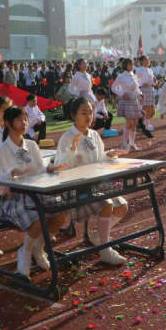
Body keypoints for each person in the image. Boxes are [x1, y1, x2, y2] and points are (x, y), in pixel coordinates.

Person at [0, 106, 69, 275]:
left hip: (34, 194)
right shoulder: (1, 152)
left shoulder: (32, 145)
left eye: (25, 119)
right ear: (8, 124)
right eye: (19, 119)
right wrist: (9, 174)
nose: (24, 123)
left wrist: (49, 169)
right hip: (12, 198)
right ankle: (24, 252)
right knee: (38, 217)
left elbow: (39, 170)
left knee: (59, 214)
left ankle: (38, 247)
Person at [53, 97, 130, 265]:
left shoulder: (94, 134)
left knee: (122, 206)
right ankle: (105, 250)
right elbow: (60, 166)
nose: (89, 117)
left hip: (95, 186)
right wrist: (72, 151)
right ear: (74, 115)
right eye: (83, 113)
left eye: (90, 112)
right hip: (76, 189)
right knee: (107, 204)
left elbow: (100, 158)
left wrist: (110, 154)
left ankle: (98, 236)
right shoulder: (67, 137)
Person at [111, 58, 144, 151]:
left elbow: (136, 88)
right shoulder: (121, 76)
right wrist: (121, 94)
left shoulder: (134, 75)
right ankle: (124, 144)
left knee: (134, 124)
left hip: (134, 100)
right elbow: (113, 87)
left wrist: (140, 94)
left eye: (132, 64)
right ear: (125, 66)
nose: (131, 66)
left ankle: (132, 144)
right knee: (130, 123)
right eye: (130, 64)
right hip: (126, 101)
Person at [135, 55, 157, 137]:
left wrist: (155, 81)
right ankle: (146, 130)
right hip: (144, 90)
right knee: (148, 111)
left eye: (148, 60)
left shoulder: (150, 70)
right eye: (145, 60)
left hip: (150, 90)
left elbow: (154, 82)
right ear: (141, 61)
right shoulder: (139, 70)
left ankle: (141, 124)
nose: (147, 61)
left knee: (153, 112)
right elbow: (134, 80)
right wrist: (140, 85)